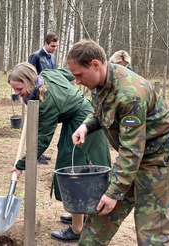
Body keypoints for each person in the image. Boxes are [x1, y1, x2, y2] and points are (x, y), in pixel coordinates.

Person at [67, 39, 169, 245]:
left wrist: (114, 193)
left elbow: (132, 150)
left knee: (151, 230)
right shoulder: (102, 83)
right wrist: (86, 125)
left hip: (159, 158)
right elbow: (102, 112)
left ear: (95, 64)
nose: (76, 81)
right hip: (134, 154)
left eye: (78, 75)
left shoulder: (130, 94)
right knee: (100, 216)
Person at [8, 62, 111, 243]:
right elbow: (71, 73)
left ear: (30, 81)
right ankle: (81, 213)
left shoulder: (48, 103)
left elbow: (41, 141)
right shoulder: (48, 74)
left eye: (19, 88)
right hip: (80, 116)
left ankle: (78, 228)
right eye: (14, 89)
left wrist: (20, 165)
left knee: (72, 170)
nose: (17, 93)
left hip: (83, 122)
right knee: (75, 166)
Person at [110, 51, 169, 138]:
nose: (123, 70)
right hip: (136, 121)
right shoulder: (110, 83)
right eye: (119, 67)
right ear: (112, 65)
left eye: (125, 66)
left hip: (152, 111)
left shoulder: (133, 78)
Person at [28, 33, 59, 164]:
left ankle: (40, 152)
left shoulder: (52, 56)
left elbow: (54, 74)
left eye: (56, 46)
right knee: (37, 124)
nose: (54, 48)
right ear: (45, 43)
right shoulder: (35, 56)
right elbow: (30, 76)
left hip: (49, 94)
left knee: (44, 124)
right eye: (52, 46)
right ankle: (34, 153)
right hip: (38, 94)